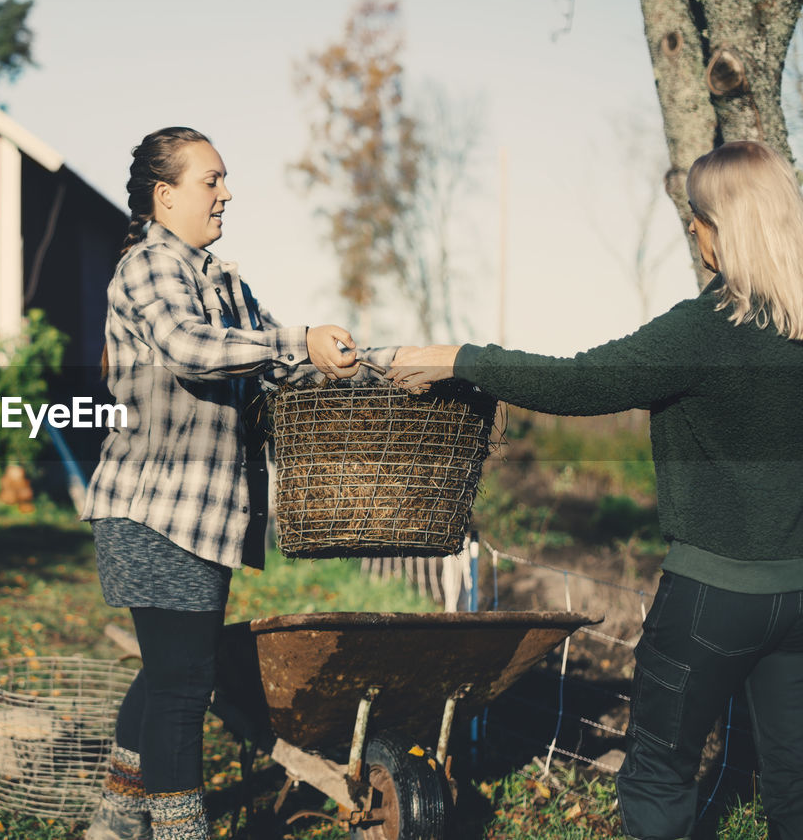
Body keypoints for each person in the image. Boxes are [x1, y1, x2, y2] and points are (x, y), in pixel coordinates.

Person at [385, 139, 803, 840]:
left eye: (695, 219)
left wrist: (457, 358)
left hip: (711, 601)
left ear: (716, 230)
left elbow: (582, 381)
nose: (694, 235)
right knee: (794, 782)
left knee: (659, 776)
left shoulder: (706, 328)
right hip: (797, 599)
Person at [80, 126, 393, 840]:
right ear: (165, 196)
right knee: (185, 686)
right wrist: (296, 339)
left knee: (167, 672)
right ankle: (175, 832)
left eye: (224, 180)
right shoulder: (148, 266)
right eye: (210, 180)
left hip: (203, 515)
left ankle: (118, 823)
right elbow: (193, 351)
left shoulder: (223, 280)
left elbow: (275, 361)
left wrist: (341, 360)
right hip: (153, 510)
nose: (226, 193)